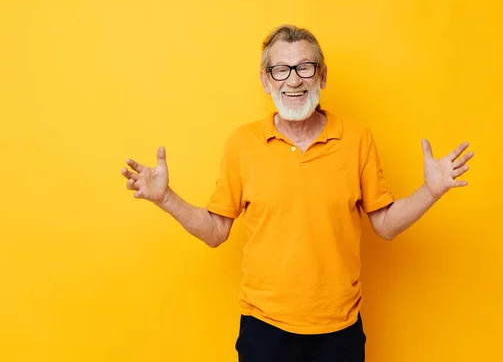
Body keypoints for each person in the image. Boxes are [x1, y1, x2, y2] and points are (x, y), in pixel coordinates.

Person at [121, 24, 474, 362]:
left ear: (322, 76)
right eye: (281, 69)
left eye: (305, 67)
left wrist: (431, 191)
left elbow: (385, 224)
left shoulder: (357, 139)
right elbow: (215, 231)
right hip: (264, 327)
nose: (293, 79)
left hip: (340, 328)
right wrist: (166, 198)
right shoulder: (243, 143)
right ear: (265, 80)